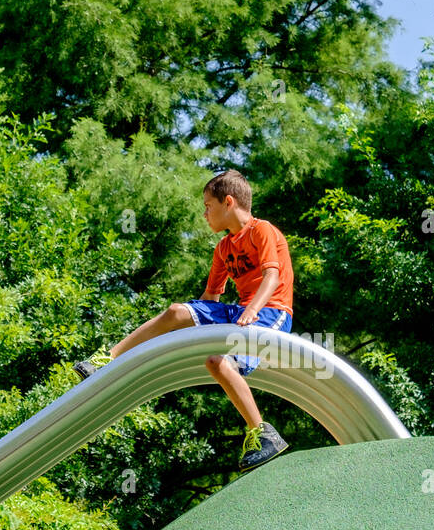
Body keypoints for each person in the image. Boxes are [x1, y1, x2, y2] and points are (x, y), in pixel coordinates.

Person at [74, 170, 294, 471]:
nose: (204, 214)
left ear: (228, 202)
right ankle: (108, 358)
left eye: (208, 206)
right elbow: (209, 299)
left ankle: (262, 432)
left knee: (218, 363)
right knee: (178, 311)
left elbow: (273, 275)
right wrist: (193, 326)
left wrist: (252, 310)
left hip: (271, 312)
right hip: (240, 312)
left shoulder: (262, 231)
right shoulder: (223, 248)